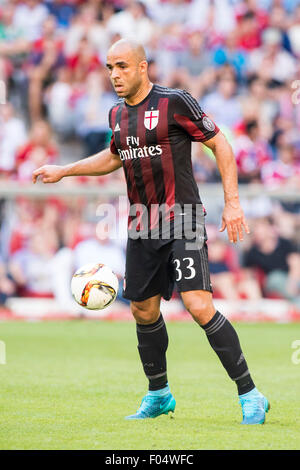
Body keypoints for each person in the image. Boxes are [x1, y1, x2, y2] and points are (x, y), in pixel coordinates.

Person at [32, 39, 270, 425]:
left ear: (143, 68)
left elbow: (220, 143)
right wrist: (64, 170)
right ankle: (159, 394)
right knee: (143, 310)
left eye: (122, 66)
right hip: (142, 222)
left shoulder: (174, 102)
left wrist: (233, 202)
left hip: (184, 216)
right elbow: (113, 155)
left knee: (198, 304)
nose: (114, 75)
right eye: (110, 67)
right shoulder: (116, 114)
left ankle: (250, 394)